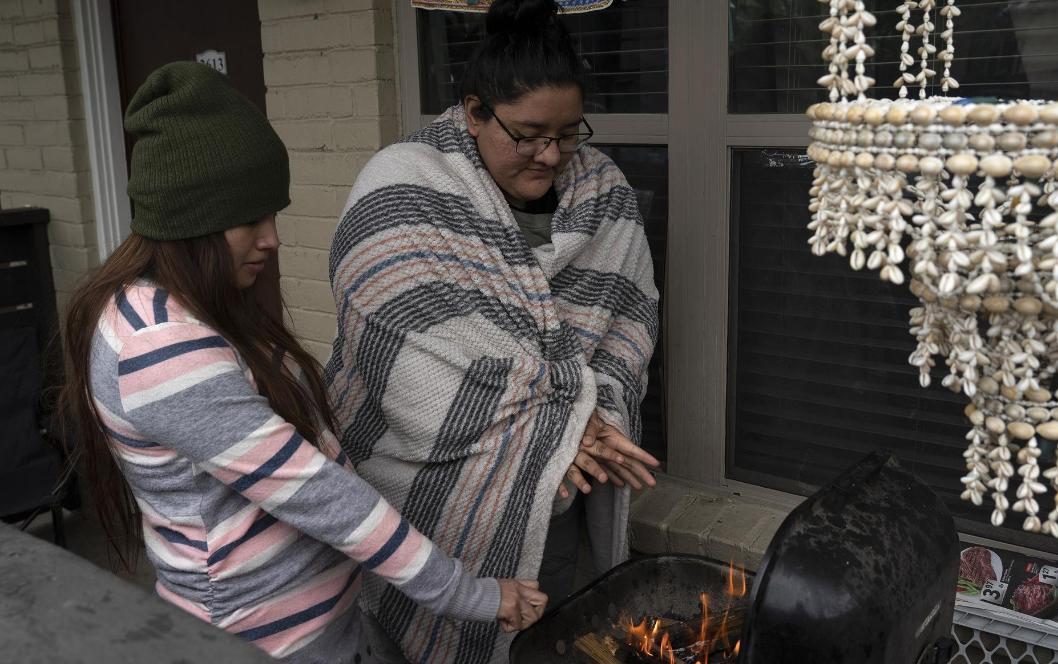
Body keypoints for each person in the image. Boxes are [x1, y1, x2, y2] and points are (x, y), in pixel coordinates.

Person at [59, 61, 545, 664]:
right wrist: (469, 594)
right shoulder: (161, 348)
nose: (273, 238)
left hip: (309, 632)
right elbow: (317, 493)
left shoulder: (184, 306)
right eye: (250, 220)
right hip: (264, 642)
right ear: (192, 223)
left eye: (274, 215)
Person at [326, 1, 661, 662]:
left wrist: (583, 419)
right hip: (421, 496)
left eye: (568, 135)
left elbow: (628, 317)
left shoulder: (605, 191)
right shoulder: (405, 182)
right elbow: (406, 339)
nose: (551, 156)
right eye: (530, 133)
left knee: (537, 638)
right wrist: (569, 422)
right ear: (475, 111)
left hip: (551, 497)